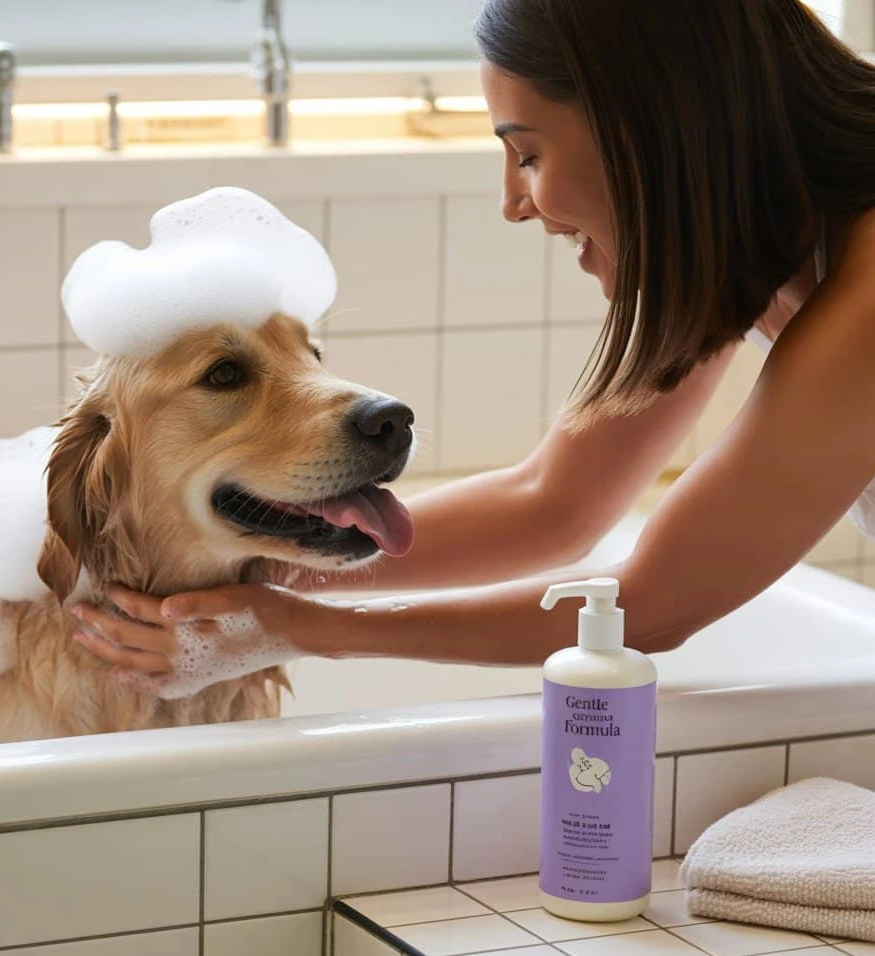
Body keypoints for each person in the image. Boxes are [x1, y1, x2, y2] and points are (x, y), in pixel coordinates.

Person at [70, 0, 875, 698]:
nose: (512, 203)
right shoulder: (744, 245)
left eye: (528, 153)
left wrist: (304, 628)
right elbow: (551, 503)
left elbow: (653, 606)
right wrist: (276, 558)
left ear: (658, 130)